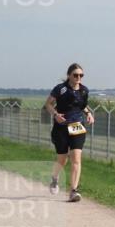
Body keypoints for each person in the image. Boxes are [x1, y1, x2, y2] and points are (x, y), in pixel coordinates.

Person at [44, 63, 94, 203]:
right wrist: (55, 114)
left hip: (77, 125)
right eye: (76, 75)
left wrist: (89, 114)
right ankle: (54, 179)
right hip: (61, 127)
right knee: (62, 159)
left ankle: (73, 191)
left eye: (81, 75)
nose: (79, 77)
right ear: (69, 75)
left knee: (76, 158)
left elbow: (82, 105)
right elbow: (48, 104)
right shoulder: (60, 89)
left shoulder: (84, 90)